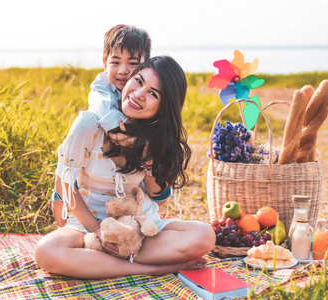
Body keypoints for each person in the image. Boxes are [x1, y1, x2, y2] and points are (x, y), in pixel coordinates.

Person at [35, 56, 216, 279]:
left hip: (138, 228)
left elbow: (158, 195)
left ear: (163, 107)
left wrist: (146, 153)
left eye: (153, 93)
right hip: (88, 226)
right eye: (139, 81)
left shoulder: (156, 137)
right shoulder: (90, 124)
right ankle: (155, 268)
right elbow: (63, 184)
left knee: (204, 236)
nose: (139, 94)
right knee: (46, 252)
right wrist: (97, 230)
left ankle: (102, 261)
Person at [52, 24, 164, 227]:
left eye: (132, 63)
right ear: (105, 63)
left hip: (129, 187)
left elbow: (159, 193)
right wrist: (116, 130)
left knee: (160, 192)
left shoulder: (144, 98)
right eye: (115, 62)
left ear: (145, 65)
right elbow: (100, 106)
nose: (123, 70)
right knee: (62, 213)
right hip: (81, 168)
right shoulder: (102, 89)